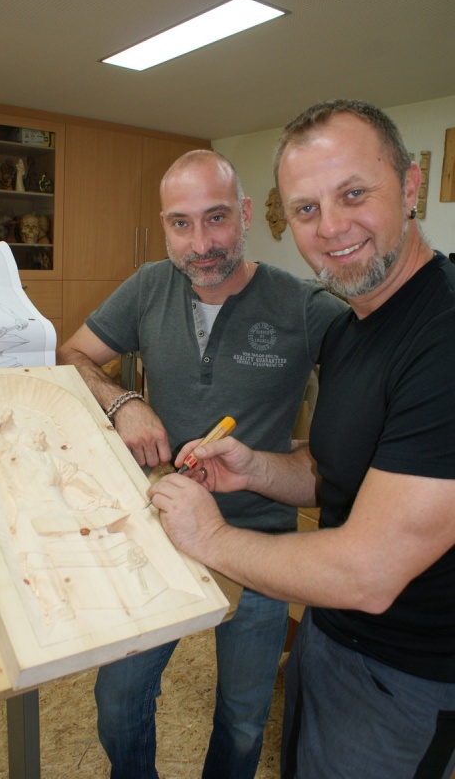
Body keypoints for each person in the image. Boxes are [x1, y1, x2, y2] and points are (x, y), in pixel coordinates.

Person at [148, 102, 455, 779]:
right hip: (329, 635)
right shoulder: (351, 328)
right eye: (307, 209)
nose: (331, 227)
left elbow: (369, 573)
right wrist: (255, 469)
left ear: (410, 187)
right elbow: (332, 471)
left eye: (354, 194)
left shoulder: (442, 334)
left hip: (405, 679)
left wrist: (210, 537)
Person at [56, 149, 346, 778]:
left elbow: (373, 392)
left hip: (260, 547)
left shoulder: (306, 307)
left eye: (216, 218)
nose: (201, 243)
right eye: (181, 223)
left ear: (245, 213)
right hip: (158, 533)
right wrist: (124, 401)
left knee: (243, 719)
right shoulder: (148, 286)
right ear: (163, 225)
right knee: (118, 701)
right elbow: (72, 355)